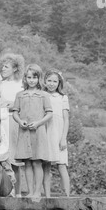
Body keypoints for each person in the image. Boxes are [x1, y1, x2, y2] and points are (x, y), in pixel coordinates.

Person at [12, 64, 53, 199]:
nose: (31, 80)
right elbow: (15, 113)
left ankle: (37, 191)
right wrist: (20, 121)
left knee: (37, 162)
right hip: (24, 132)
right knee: (27, 163)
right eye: (29, 77)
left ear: (39, 78)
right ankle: (30, 191)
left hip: (38, 131)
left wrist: (38, 123)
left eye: (34, 77)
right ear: (25, 78)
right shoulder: (20, 95)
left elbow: (49, 113)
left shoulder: (43, 95)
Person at [42, 69, 70, 197]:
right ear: (45, 81)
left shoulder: (63, 98)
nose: (52, 84)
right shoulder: (42, 95)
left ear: (59, 83)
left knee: (61, 164)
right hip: (46, 132)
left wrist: (63, 138)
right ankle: (47, 196)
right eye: (49, 81)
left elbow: (66, 119)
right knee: (46, 166)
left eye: (55, 81)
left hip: (58, 133)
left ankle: (67, 195)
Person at [0, 53, 25, 160]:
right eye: (3, 66)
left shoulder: (21, 84)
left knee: (16, 155)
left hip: (17, 121)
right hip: (3, 122)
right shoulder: (1, 84)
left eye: (6, 67)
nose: (3, 69)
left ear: (14, 69)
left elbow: (27, 103)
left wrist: (15, 105)